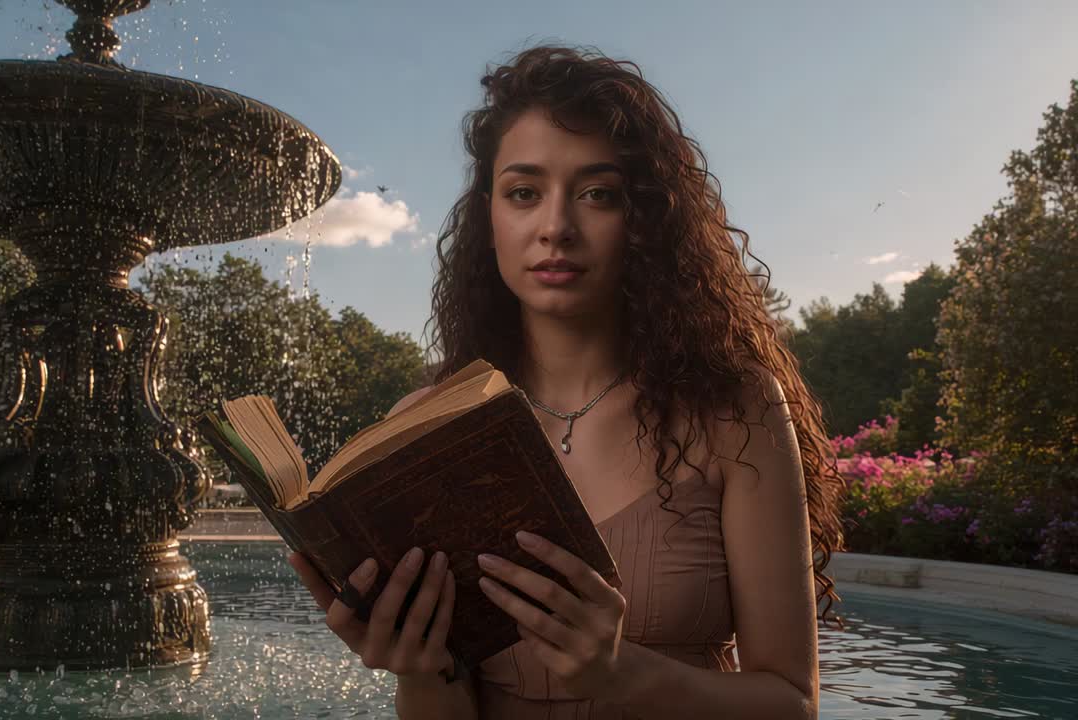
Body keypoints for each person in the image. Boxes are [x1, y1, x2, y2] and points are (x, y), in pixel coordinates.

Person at [288, 44, 843, 719]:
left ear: (644, 220)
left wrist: (617, 673)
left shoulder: (735, 408)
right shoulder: (425, 428)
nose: (556, 227)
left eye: (597, 195)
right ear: (489, 219)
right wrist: (421, 666)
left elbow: (793, 704)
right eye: (525, 193)